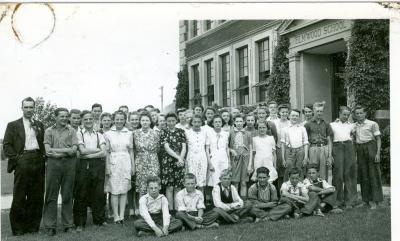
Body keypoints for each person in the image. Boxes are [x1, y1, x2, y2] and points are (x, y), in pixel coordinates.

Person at [3, 97, 46, 236]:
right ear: (21, 108)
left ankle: (33, 227)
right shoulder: (13, 125)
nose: (28, 110)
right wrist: (17, 159)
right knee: (20, 195)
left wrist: (43, 157)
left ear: (34, 108)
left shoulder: (39, 124)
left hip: (38, 160)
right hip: (22, 160)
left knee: (37, 196)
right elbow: (7, 145)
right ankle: (18, 229)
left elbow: (44, 143)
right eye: (26, 107)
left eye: (31, 107)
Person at [43, 108, 78, 236]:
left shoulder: (72, 130)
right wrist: (65, 151)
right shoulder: (49, 131)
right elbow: (47, 151)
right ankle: (50, 226)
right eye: (61, 116)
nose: (64, 118)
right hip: (53, 164)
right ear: (56, 117)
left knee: (67, 194)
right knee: (51, 194)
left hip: (69, 164)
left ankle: (68, 225)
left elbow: (73, 150)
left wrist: (57, 151)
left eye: (66, 116)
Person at [73, 111, 107, 232]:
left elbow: (104, 152)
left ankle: (99, 220)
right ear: (82, 120)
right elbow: (82, 151)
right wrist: (97, 151)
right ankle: (80, 223)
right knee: (82, 193)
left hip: (97, 165)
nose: (88, 121)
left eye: (90, 119)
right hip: (83, 166)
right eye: (86, 119)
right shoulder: (79, 134)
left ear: (93, 120)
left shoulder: (99, 134)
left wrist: (90, 155)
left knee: (98, 193)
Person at [103, 111, 135, 224]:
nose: (119, 121)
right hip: (113, 162)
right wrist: (107, 166)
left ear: (125, 120)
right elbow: (106, 152)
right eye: (117, 119)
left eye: (122, 119)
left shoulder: (129, 133)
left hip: (125, 162)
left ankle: (122, 215)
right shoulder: (108, 134)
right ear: (113, 120)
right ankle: (115, 215)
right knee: (115, 190)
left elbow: (131, 151)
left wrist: (133, 166)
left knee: (124, 189)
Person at [354, 105, 383, 209]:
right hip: (360, 149)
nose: (359, 115)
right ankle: (366, 200)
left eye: (361, 113)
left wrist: (378, 153)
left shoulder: (372, 124)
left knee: (373, 175)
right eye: (357, 113)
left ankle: (376, 201)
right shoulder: (355, 125)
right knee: (363, 176)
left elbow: (378, 139)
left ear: (365, 113)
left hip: (371, 147)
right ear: (355, 115)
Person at [330, 106, 357, 209]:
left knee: (349, 174)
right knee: (338, 174)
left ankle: (349, 201)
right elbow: (330, 140)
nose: (346, 116)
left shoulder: (352, 126)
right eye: (344, 114)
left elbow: (354, 137)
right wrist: (330, 154)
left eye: (347, 115)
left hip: (349, 147)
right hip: (337, 147)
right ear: (339, 114)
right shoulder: (332, 125)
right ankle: (337, 200)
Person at [159, 112, 187, 212]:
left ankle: (177, 209)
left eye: (173, 121)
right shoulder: (163, 132)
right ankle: (170, 210)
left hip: (179, 162)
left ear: (176, 121)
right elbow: (167, 148)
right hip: (168, 162)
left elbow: (184, 147)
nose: (171, 123)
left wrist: (181, 158)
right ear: (166, 121)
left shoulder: (181, 131)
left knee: (178, 187)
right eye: (169, 121)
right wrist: (178, 158)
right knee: (170, 187)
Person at [304, 101, 333, 180]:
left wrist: (330, 156)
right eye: (317, 111)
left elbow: (329, 140)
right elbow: (305, 141)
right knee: (312, 171)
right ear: (313, 111)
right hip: (313, 149)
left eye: (321, 111)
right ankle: (313, 190)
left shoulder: (326, 124)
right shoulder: (308, 124)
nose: (319, 113)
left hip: (324, 148)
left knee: (324, 172)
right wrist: (306, 156)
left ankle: (323, 190)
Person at [133, 112, 160, 196]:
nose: (145, 122)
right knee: (142, 186)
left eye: (147, 120)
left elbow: (158, 148)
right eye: (143, 120)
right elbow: (133, 148)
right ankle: (142, 208)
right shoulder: (135, 133)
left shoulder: (155, 133)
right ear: (140, 122)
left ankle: (153, 208)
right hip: (140, 162)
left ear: (150, 122)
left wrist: (150, 155)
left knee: (153, 185)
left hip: (153, 161)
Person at [281, 109, 309, 180]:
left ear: (299, 117)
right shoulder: (285, 129)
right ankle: (287, 189)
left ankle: (300, 189)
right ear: (289, 116)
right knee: (289, 170)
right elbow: (283, 144)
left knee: (300, 170)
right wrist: (283, 159)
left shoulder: (302, 128)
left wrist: (305, 157)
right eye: (293, 115)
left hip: (300, 151)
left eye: (296, 116)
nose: (294, 117)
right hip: (289, 152)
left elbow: (305, 143)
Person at [185, 114, 210, 191]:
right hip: (191, 158)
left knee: (201, 182)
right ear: (191, 122)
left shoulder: (205, 132)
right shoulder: (187, 132)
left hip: (202, 158)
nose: (196, 124)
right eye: (194, 122)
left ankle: (201, 202)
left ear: (201, 123)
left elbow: (207, 147)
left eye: (198, 122)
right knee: (191, 181)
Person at [229, 114, 251, 197]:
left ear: (244, 122)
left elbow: (251, 149)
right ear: (234, 122)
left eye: (240, 121)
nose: (239, 123)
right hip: (235, 159)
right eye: (237, 121)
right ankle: (235, 200)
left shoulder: (247, 133)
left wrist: (250, 164)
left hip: (245, 159)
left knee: (243, 182)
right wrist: (232, 150)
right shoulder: (230, 133)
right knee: (235, 182)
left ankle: (243, 200)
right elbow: (226, 146)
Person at [206, 115, 230, 187]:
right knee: (215, 181)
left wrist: (229, 162)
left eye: (219, 122)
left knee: (225, 180)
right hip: (214, 159)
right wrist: (210, 163)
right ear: (212, 123)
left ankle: (224, 198)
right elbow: (207, 150)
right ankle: (216, 198)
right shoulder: (209, 133)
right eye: (215, 122)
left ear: (222, 123)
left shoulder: (226, 133)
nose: (217, 123)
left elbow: (227, 148)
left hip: (224, 158)